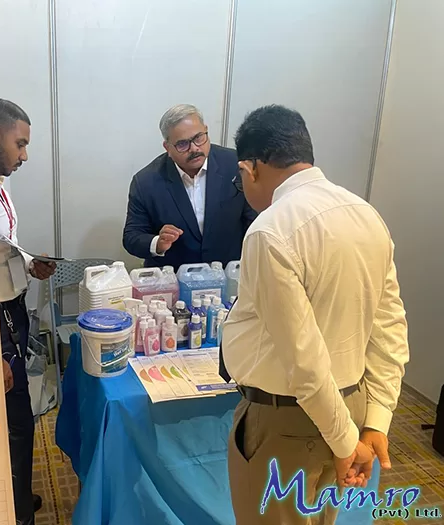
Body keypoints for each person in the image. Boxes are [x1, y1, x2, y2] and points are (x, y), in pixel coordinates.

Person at [220, 105, 410, 524]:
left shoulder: (271, 229)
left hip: (288, 421)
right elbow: (390, 331)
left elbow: (304, 361)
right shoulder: (366, 214)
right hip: (352, 407)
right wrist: (374, 424)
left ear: (250, 168)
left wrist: (344, 443)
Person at [0, 99, 56, 525]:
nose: (25, 155)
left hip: (12, 309)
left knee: (19, 414)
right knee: (15, 420)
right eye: (20, 144)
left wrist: (28, 264)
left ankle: (17, 494)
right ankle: (16, 514)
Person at [122, 104, 256, 270]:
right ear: (167, 147)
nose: (194, 148)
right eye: (182, 144)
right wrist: (158, 243)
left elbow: (254, 219)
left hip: (228, 273)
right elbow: (132, 236)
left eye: (199, 137)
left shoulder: (235, 164)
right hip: (174, 278)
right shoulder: (146, 182)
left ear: (206, 130)